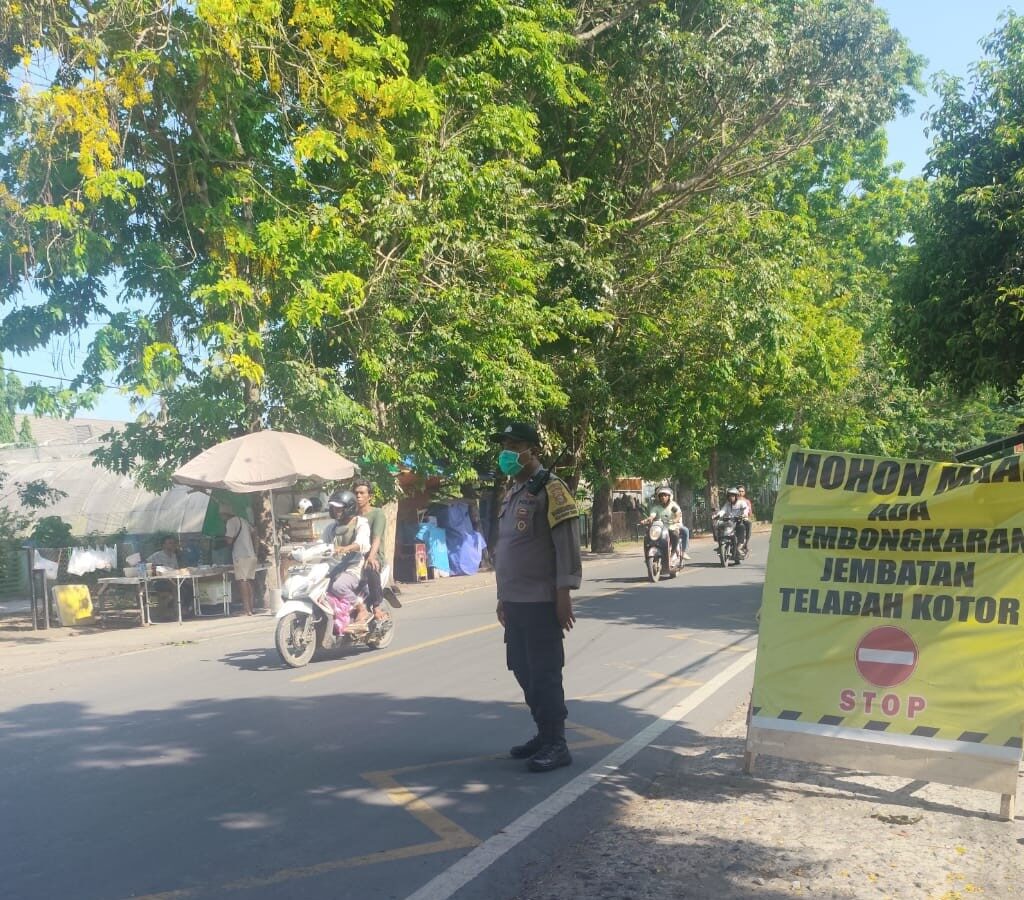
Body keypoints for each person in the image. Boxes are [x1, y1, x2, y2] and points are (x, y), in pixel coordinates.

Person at [491, 422, 582, 773]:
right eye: (505, 444)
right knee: (521, 667)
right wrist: (502, 597)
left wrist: (564, 595)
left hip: (541, 601)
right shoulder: (513, 491)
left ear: (533, 450)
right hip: (514, 600)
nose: (507, 452)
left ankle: (557, 743)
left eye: (514, 444)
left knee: (544, 672)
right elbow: (509, 550)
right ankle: (544, 734)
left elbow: (567, 545)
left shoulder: (552, 489)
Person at [321, 490, 370, 635]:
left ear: (349, 508)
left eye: (339, 508)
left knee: (338, 586)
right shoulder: (332, 527)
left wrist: (346, 548)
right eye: (334, 508)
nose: (336, 511)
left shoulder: (360, 523)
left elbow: (363, 544)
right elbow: (321, 544)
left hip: (354, 567)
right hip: (335, 567)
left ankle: (361, 608)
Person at [352, 478, 387, 614]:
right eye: (356, 493)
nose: (358, 496)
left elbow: (376, 538)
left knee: (370, 567)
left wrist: (371, 556)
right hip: (355, 555)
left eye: (362, 493)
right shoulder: (352, 515)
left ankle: (376, 605)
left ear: (370, 496)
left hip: (375, 555)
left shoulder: (377, 513)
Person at [147, 535, 194, 617]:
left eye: (173, 543)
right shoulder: (156, 555)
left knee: (190, 587)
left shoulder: (174, 556)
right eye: (170, 543)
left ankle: (184, 609)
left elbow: (175, 570)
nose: (172, 545)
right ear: (164, 545)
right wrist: (154, 569)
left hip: (173, 579)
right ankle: (175, 611)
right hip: (160, 581)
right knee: (178, 588)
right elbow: (146, 564)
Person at [222, 507, 258, 616]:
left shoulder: (230, 522)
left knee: (242, 581)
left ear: (224, 514)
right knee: (249, 581)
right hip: (251, 554)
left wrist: (222, 539)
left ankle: (246, 610)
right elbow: (254, 533)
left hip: (240, 555)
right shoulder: (243, 520)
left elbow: (229, 540)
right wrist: (256, 551)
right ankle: (251, 608)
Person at [643, 486, 691, 561]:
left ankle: (681, 552)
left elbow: (678, 514)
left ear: (669, 497)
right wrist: (648, 519)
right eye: (661, 496)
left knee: (685, 531)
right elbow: (652, 515)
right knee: (648, 536)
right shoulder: (656, 507)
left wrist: (676, 520)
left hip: (673, 526)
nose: (663, 497)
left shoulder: (673, 506)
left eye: (665, 495)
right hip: (660, 528)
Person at [737, 486, 755, 551]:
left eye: (742, 491)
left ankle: (745, 544)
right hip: (734, 519)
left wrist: (749, 516)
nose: (740, 493)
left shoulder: (747, 501)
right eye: (739, 491)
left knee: (749, 524)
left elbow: (750, 512)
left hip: (744, 519)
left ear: (744, 493)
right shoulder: (733, 500)